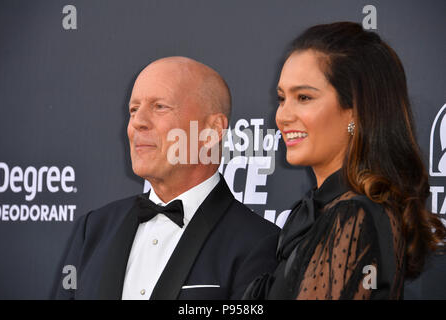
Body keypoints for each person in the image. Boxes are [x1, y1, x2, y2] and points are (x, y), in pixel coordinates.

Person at [243, 22, 446, 300]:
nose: (282, 116)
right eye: (281, 98)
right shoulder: (330, 211)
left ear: (355, 111)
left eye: (303, 97)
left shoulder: (353, 217)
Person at [51, 56, 280, 300]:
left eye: (159, 107)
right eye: (133, 109)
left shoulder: (258, 243)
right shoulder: (94, 229)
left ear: (212, 132)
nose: (137, 122)